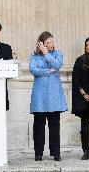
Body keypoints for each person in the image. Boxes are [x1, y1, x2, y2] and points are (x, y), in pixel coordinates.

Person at [29, 31, 67, 161]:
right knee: (39, 125)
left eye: (51, 41)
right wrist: (48, 71)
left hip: (54, 95)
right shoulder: (34, 56)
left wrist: (46, 54)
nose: (51, 44)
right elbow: (33, 70)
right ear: (41, 44)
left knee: (54, 125)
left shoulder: (57, 54)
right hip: (39, 95)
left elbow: (57, 65)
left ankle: (56, 153)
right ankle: (38, 153)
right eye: (47, 43)